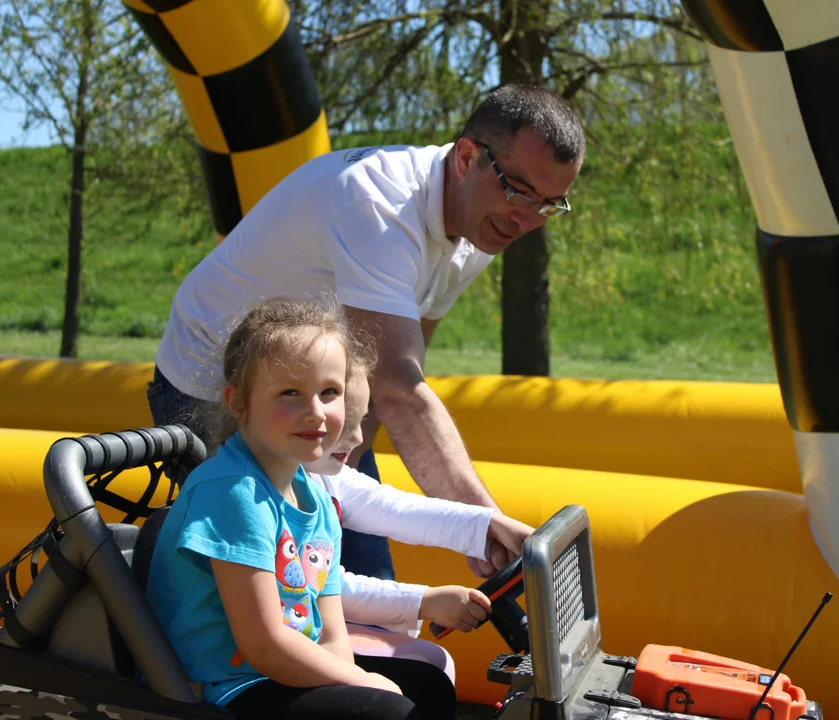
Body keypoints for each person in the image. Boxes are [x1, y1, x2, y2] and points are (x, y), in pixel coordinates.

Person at [147, 84, 586, 583]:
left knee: (354, 577)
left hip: (310, 390)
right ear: (468, 157)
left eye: (550, 205)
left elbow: (389, 373)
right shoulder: (378, 201)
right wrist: (486, 526)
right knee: (265, 592)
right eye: (520, 192)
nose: (528, 221)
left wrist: (346, 466)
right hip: (212, 387)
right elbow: (399, 387)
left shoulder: (482, 225)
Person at [145, 297, 455, 720]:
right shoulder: (234, 492)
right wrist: (364, 684)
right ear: (238, 402)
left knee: (428, 688)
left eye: (329, 392)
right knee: (389, 712)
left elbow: (331, 632)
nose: (316, 413)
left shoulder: (312, 492)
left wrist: (358, 679)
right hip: (222, 689)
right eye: (290, 393)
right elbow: (264, 643)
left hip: (280, 671)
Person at [300, 334, 535, 682]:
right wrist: (423, 601)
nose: (358, 439)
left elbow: (394, 508)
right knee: (426, 678)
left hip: (314, 629)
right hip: (291, 644)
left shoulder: (326, 476)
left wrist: (488, 525)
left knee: (432, 667)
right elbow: (320, 585)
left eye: (362, 421)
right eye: (346, 425)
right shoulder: (280, 488)